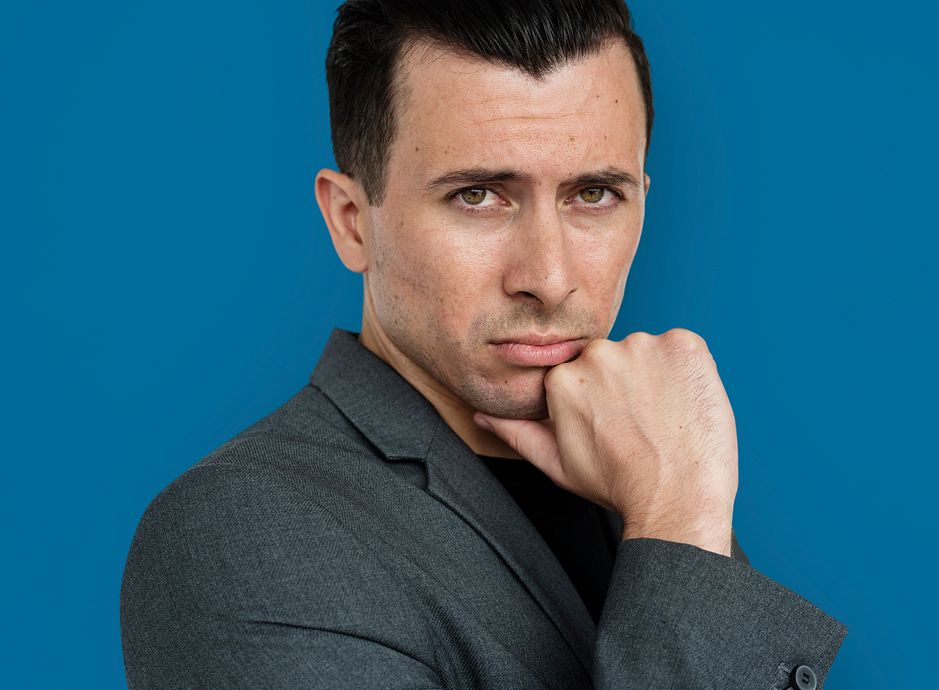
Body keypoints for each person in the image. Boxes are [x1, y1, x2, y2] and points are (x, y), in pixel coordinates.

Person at [120, 1, 847, 687]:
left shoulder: (638, 477)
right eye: (479, 196)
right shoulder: (241, 535)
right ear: (350, 221)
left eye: (593, 194)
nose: (550, 279)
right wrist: (682, 523)